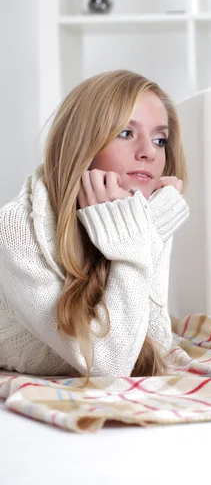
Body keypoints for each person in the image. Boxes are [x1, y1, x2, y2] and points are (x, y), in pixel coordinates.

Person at [0, 70, 189, 383]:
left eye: (160, 140)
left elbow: (155, 343)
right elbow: (110, 366)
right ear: (82, 144)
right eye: (126, 133)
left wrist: (149, 226)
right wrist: (142, 234)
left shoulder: (141, 214)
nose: (149, 152)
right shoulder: (16, 227)